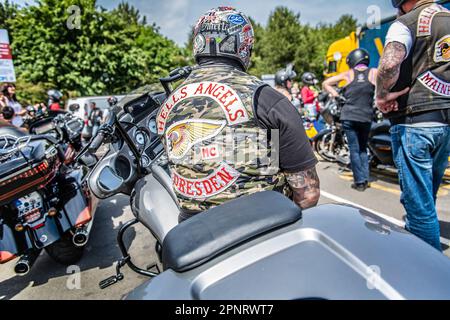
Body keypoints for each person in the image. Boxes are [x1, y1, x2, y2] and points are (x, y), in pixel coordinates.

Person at [156, 6, 320, 221]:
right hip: (261, 229)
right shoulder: (266, 99)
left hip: (192, 233)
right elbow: (308, 194)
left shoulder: (169, 104)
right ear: (244, 46)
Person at [375, 0, 450, 251]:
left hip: (415, 121)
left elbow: (388, 64)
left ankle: (429, 270)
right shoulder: (446, 17)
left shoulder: (405, 23)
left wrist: (382, 94)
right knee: (428, 194)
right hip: (445, 123)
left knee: (419, 208)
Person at [322, 48, 378, 191]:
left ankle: (359, 182)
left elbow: (326, 83)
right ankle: (365, 178)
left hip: (349, 116)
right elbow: (385, 86)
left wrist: (336, 95)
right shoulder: (373, 73)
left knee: (354, 149)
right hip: (366, 116)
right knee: (363, 148)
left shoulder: (348, 74)